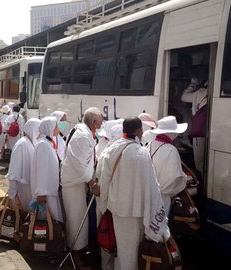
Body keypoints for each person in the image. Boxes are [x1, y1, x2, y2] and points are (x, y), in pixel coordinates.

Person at [96, 117, 169, 270]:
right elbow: (152, 184)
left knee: (123, 249)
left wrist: (104, 206)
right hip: (138, 211)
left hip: (118, 210)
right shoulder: (142, 153)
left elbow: (104, 180)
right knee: (136, 250)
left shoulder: (112, 149)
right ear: (138, 131)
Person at [61, 107, 103, 268]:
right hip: (73, 184)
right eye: (99, 123)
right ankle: (75, 256)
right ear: (93, 122)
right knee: (76, 220)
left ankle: (78, 251)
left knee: (80, 220)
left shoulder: (83, 132)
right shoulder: (82, 136)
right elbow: (80, 165)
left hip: (77, 182)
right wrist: (92, 184)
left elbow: (89, 157)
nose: (100, 126)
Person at [147, 116, 189, 216]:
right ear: (170, 133)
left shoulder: (150, 144)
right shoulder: (171, 150)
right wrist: (184, 179)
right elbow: (173, 179)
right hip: (162, 198)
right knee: (160, 226)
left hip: (148, 194)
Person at [30, 116, 64, 222]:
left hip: (50, 189)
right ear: (50, 128)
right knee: (48, 222)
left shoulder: (48, 143)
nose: (58, 128)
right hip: (46, 192)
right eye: (56, 126)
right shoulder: (43, 145)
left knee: (53, 220)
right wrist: (41, 193)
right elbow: (41, 169)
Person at [6, 118, 41, 213]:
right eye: (39, 130)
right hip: (22, 188)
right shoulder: (21, 144)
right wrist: (13, 193)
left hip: (30, 187)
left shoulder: (33, 143)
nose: (40, 133)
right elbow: (13, 170)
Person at [181, 78, 207, 173]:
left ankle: (200, 181)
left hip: (200, 131)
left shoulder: (201, 92)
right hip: (216, 131)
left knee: (199, 162)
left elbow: (184, 97)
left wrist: (192, 85)